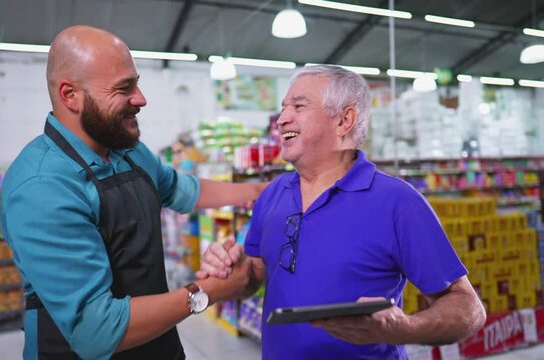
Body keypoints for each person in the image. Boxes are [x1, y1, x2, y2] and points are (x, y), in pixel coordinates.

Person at [0, 25, 264, 360]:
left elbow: (184, 190)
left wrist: (261, 190)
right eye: (124, 88)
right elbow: (96, 331)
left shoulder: (129, 152)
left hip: (157, 345)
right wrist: (209, 292)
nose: (141, 99)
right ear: (71, 95)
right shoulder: (41, 187)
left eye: (136, 83)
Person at [198, 65, 487, 359]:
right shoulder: (273, 194)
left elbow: (467, 307)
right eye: (283, 108)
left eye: (298, 106)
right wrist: (233, 271)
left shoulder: (397, 202)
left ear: (344, 120)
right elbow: (255, 274)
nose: (282, 119)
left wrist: (405, 328)